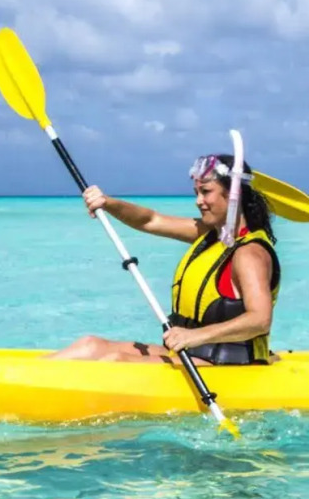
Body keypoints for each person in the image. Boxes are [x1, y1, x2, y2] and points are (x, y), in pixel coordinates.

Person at [51, 146, 280, 364]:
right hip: (191, 355)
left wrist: (195, 336)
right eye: (196, 192)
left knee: (115, 362)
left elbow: (260, 319)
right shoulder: (210, 235)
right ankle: (22, 378)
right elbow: (150, 220)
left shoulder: (250, 253)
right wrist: (108, 203)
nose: (198, 201)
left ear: (234, 195)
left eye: (206, 192)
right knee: (90, 346)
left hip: (225, 363)